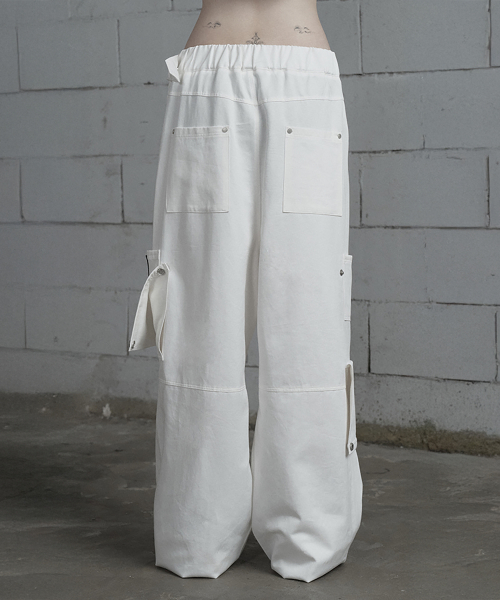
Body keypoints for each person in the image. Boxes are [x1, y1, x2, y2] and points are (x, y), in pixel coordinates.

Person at [129, 0, 363, 584]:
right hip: (268, 70)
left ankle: (201, 534)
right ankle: (286, 536)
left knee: (296, 315)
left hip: (229, 73)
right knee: (204, 316)